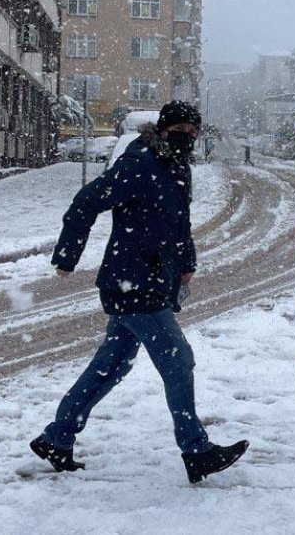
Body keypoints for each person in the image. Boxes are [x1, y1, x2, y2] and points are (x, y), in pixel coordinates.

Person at [30, 101, 248, 483]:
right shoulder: (140, 164)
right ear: (163, 130)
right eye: (181, 130)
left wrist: (186, 264)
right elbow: (86, 201)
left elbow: (179, 224)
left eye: (194, 133)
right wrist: (67, 256)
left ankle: (56, 438)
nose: (188, 138)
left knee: (110, 367)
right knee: (177, 360)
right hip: (131, 281)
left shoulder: (174, 168)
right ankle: (196, 450)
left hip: (148, 280)